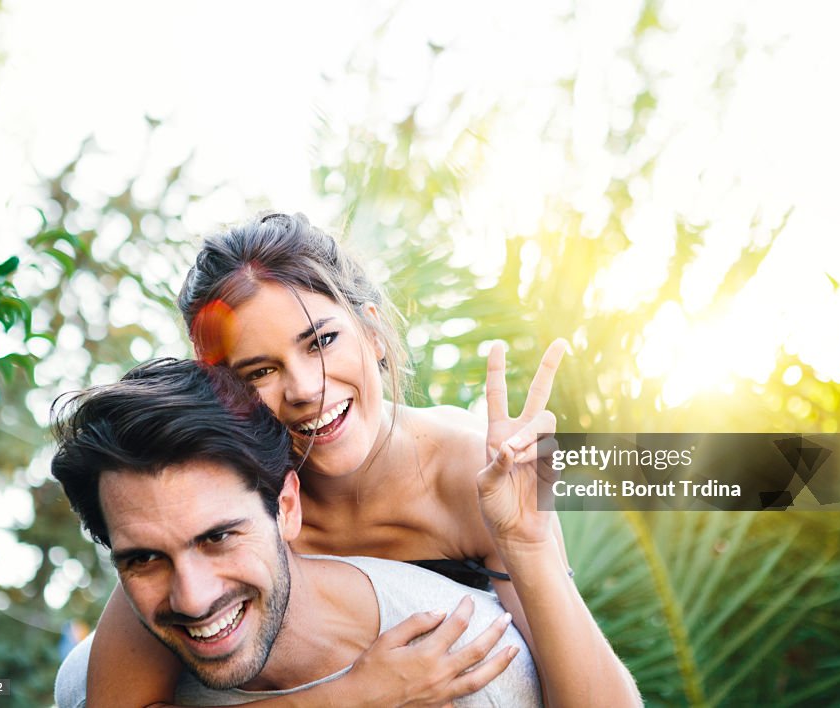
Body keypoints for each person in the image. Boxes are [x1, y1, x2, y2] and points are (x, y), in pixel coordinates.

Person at [84, 213, 641, 707]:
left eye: (321, 341)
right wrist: (356, 696)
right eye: (259, 371)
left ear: (372, 332)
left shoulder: (473, 466)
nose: (305, 388)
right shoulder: (232, 498)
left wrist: (529, 542)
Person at [52, 359, 538, 706]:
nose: (193, 599)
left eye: (218, 537)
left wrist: (528, 543)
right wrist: (352, 697)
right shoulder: (85, 683)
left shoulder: (472, 664)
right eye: (144, 559)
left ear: (287, 506)